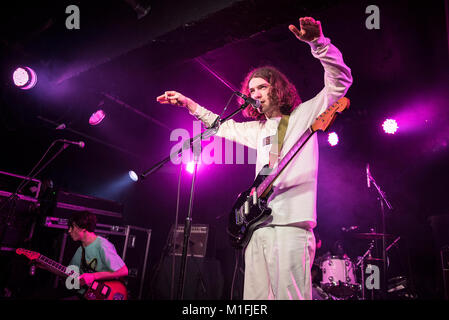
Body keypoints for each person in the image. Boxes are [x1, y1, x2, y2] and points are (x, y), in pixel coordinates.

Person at [157, 16, 352, 300]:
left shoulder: (303, 115)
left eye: (261, 87)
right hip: (256, 228)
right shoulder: (257, 129)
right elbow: (220, 125)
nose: (255, 93)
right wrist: (189, 104)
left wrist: (319, 44)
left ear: (277, 87)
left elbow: (340, 82)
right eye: (251, 90)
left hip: (291, 225)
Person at [67, 210, 128, 297]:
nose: (69, 231)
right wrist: (46, 265)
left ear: (82, 228)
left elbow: (123, 271)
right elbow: (69, 273)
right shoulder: (80, 250)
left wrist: (93, 276)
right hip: (85, 294)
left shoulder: (102, 245)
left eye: (72, 227)